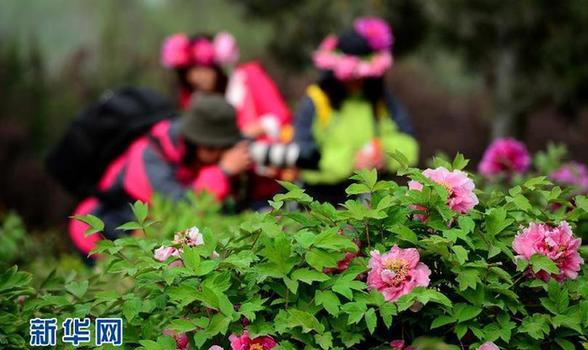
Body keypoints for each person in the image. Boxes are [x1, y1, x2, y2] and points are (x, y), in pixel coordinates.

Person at [69, 94, 251, 257]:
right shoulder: (148, 158)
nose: (223, 155)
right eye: (216, 148)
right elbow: (184, 208)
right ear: (199, 143)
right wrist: (222, 172)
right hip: (94, 237)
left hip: (139, 236)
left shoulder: (183, 148)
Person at [291, 17, 419, 204]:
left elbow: (410, 144)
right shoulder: (317, 99)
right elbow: (303, 155)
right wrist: (351, 161)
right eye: (350, 75)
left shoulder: (381, 100)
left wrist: (384, 154)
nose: (355, 81)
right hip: (324, 202)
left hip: (374, 201)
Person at [161, 31, 294, 204]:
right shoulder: (192, 99)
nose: (195, 77)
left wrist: (248, 132)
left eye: (202, 68)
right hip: (223, 187)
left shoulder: (248, 78)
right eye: (189, 70)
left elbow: (281, 117)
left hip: (266, 180)